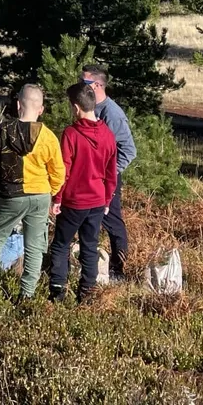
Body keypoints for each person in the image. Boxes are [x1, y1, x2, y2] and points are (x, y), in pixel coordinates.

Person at [0, 84, 65, 303]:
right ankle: (26, 295)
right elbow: (58, 172)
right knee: (34, 246)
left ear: (18, 105)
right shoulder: (48, 137)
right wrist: (50, 192)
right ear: (41, 109)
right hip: (39, 195)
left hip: (9, 196)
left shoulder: (3, 130)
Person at [48, 82, 118, 303]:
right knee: (90, 247)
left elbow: (64, 170)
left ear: (76, 107)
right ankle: (86, 293)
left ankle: (57, 291)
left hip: (74, 201)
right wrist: (107, 199)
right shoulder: (108, 134)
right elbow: (111, 172)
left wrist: (57, 198)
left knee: (61, 244)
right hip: (97, 201)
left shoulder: (71, 134)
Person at [82, 65, 136, 281]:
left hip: (106, 178)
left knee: (112, 221)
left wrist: (109, 174)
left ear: (96, 85)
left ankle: (118, 270)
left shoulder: (112, 113)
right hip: (88, 176)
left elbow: (129, 150)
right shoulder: (87, 106)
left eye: (84, 83)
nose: (80, 86)